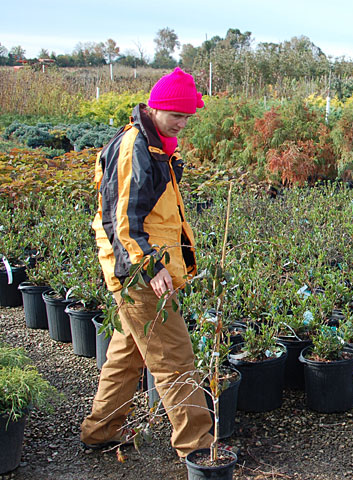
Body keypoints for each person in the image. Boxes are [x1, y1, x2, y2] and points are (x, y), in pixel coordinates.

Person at [80, 67, 214, 459]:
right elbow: (123, 221)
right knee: (175, 360)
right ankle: (198, 449)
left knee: (127, 356)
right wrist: (151, 267)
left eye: (188, 117)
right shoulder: (135, 146)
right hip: (139, 273)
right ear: (156, 108)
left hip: (144, 271)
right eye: (177, 116)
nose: (183, 123)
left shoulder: (156, 144)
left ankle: (101, 430)